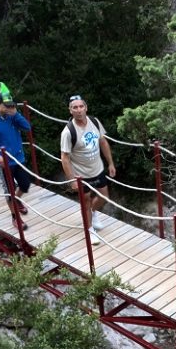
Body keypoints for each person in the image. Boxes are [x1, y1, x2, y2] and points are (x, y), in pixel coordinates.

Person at [60, 94, 116, 245]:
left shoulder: (94, 122)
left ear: (86, 107)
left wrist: (110, 163)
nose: (78, 110)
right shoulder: (68, 132)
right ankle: (89, 230)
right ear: (70, 110)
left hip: (97, 169)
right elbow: (64, 158)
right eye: (75, 108)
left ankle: (93, 213)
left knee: (104, 196)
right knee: (85, 202)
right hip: (81, 174)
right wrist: (72, 179)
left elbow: (103, 142)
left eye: (81, 106)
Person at [0, 92, 32, 231]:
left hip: (18, 158)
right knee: (9, 191)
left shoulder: (12, 117)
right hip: (4, 162)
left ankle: (16, 201)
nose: (9, 108)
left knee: (25, 185)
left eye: (11, 105)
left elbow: (27, 127)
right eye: (6, 106)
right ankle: (15, 217)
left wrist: (16, 114)